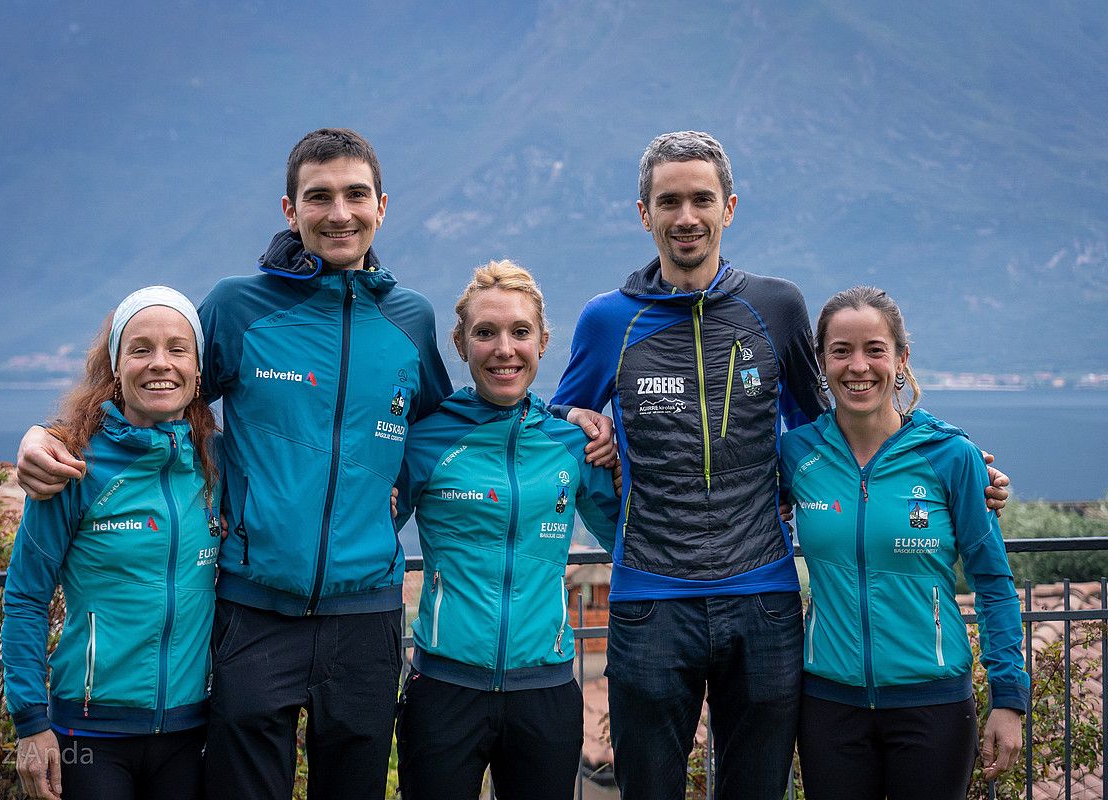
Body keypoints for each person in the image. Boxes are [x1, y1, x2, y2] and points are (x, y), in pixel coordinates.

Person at [15, 128, 614, 799]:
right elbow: (155, 388)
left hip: (366, 617)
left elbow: (463, 427)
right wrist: (53, 431)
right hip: (253, 610)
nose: (339, 212)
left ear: (381, 206)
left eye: (355, 194)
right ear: (289, 210)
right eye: (319, 196)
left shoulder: (408, 319)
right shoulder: (237, 307)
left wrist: (564, 422)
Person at [550, 130, 1012, 799]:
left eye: (702, 199)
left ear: (729, 207)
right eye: (670, 200)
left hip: (762, 599)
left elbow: (825, 427)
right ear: (643, 212)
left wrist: (953, 468)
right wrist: (578, 429)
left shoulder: (777, 306)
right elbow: (556, 425)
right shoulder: (607, 320)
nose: (687, 216)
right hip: (650, 600)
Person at [780, 286, 1027, 800]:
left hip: (932, 704)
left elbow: (993, 581)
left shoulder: (950, 456)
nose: (858, 367)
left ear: (901, 358)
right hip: (829, 704)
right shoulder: (796, 453)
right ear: (822, 361)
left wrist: (1009, 698)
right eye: (841, 351)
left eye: (875, 349)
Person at [392, 261, 619, 800]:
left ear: (542, 341)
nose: (504, 349)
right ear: (460, 343)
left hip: (546, 691)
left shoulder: (572, 442)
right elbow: (368, 535)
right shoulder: (424, 439)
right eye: (485, 333)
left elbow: (630, 539)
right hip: (444, 688)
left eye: (520, 332)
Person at [2, 286, 221, 800]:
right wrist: (31, 724)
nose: (159, 363)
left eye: (177, 348)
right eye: (140, 349)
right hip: (90, 732)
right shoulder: (73, 467)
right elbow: (26, 598)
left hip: (192, 730)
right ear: (115, 369)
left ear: (198, 368)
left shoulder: (218, 462)